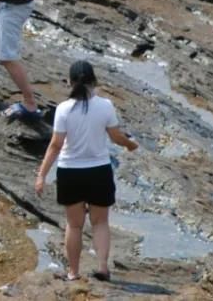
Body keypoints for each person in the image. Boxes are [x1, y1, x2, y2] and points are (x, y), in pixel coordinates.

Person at [34, 60, 139, 282]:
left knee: (74, 225)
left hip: (70, 171)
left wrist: (42, 175)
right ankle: (102, 267)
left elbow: (55, 145)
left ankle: (73, 272)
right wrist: (129, 144)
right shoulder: (106, 106)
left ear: (70, 82)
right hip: (98, 170)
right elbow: (115, 137)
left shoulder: (63, 109)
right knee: (100, 222)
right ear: (94, 81)